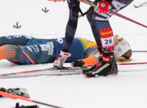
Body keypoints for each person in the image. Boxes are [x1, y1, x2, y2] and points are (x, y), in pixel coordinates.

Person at [36, 0, 147, 77]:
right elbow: (72, 22)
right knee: (91, 15)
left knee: (100, 15)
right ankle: (104, 58)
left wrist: (106, 1)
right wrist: (64, 53)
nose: (52, 1)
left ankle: (108, 62)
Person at [0, 35, 132, 65]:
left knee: (9, 50)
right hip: (43, 41)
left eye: (118, 39)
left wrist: (81, 62)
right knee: (6, 39)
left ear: (115, 49)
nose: (115, 35)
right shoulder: (96, 43)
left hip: (49, 51)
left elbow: (93, 58)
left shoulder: (97, 49)